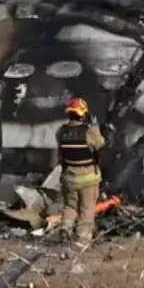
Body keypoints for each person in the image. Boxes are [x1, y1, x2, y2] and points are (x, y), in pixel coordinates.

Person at [55, 97, 106, 245]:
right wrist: (95, 126)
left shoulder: (61, 132)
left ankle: (65, 228)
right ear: (83, 114)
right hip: (88, 179)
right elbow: (100, 144)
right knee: (87, 208)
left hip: (69, 177)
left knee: (70, 206)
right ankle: (83, 238)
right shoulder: (89, 132)